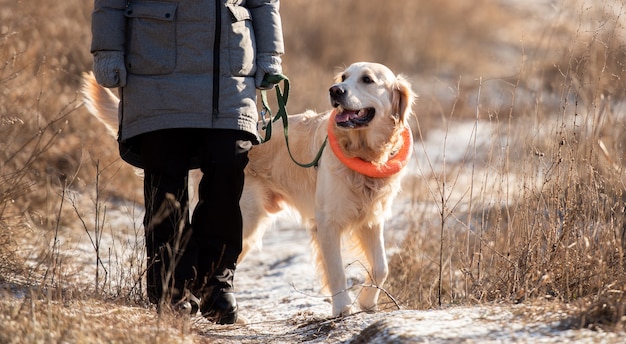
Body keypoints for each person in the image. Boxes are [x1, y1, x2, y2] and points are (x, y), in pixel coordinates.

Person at [90, 0, 284, 324]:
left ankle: (214, 284)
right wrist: (108, 52)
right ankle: (172, 289)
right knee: (166, 180)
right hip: (155, 72)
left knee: (227, 170)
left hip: (229, 73)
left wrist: (270, 54)